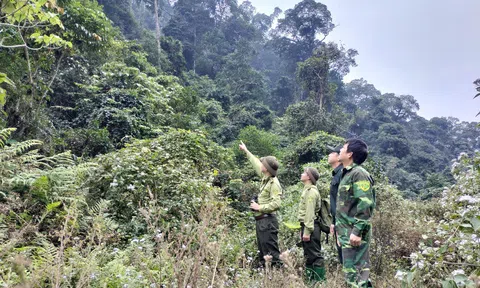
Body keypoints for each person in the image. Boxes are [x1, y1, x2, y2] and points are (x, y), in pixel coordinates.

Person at [336, 139, 375, 287]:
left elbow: (365, 204)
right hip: (346, 232)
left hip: (354, 233)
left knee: (358, 276)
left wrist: (357, 232)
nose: (340, 150)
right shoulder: (347, 174)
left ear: (350, 154)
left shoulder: (359, 174)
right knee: (352, 275)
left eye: (343, 148)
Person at [239, 141, 282, 267]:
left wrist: (259, 207)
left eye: (264, 163)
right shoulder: (265, 177)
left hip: (268, 221)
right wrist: (246, 151)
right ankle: (266, 278)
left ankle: (276, 277)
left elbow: (277, 203)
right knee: (263, 253)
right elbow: (256, 163)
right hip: (262, 221)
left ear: (267, 168)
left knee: (271, 253)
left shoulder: (274, 183)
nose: (261, 164)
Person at [298, 167, 326, 283]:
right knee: (308, 255)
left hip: (311, 226)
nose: (302, 174)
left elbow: (309, 213)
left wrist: (307, 231)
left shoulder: (311, 192)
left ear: (309, 177)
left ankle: (320, 281)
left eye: (304, 172)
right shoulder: (307, 190)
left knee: (315, 254)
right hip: (308, 226)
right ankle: (311, 282)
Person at [327, 144, 344, 264]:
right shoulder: (336, 174)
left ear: (338, 157)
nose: (329, 154)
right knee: (341, 252)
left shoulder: (342, 173)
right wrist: (333, 222)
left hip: (344, 222)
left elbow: (342, 201)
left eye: (331, 152)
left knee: (345, 254)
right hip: (338, 220)